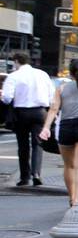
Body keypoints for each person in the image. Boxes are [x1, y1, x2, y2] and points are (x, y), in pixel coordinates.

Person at [39, 58, 78, 207]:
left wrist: (46, 127)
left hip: (66, 127)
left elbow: (53, 109)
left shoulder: (62, 88)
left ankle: (71, 196)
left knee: (68, 165)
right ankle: (77, 198)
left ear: (70, 72)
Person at [2, 51, 53, 187]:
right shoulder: (42, 74)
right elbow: (51, 96)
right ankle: (36, 173)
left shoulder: (14, 76)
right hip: (40, 112)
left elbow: (6, 98)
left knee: (23, 145)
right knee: (38, 144)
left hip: (21, 113)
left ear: (17, 61)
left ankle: (24, 177)